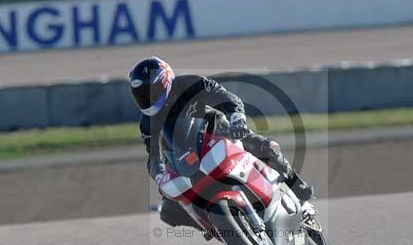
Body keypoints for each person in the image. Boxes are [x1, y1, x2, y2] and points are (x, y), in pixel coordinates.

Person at [127, 56, 314, 230]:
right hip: (182, 157)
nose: (147, 99)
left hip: (215, 131)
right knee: (168, 210)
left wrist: (237, 118)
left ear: (164, 81)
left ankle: (298, 189)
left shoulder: (190, 84)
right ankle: (215, 227)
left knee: (266, 147)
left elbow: (224, 96)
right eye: (141, 95)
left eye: (150, 92)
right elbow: (153, 155)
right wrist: (158, 174)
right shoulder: (147, 122)